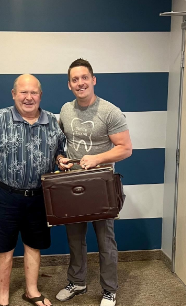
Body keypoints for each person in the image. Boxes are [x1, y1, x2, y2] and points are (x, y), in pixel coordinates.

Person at [0, 74, 66, 306]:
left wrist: (61, 159)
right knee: (4, 248)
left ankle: (31, 291)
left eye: (33, 92)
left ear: (40, 95)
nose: (28, 97)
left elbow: (59, 151)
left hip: (38, 196)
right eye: (23, 92)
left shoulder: (52, 121)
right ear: (14, 94)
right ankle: (3, 298)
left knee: (34, 244)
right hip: (5, 195)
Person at [56, 59, 132, 306]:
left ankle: (109, 289)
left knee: (105, 240)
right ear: (69, 84)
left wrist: (98, 158)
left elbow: (125, 149)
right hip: (73, 184)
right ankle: (77, 282)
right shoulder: (65, 110)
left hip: (102, 186)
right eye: (75, 79)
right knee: (75, 238)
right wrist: (60, 158)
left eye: (84, 77)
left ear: (93, 79)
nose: (81, 83)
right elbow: (60, 144)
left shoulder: (110, 111)